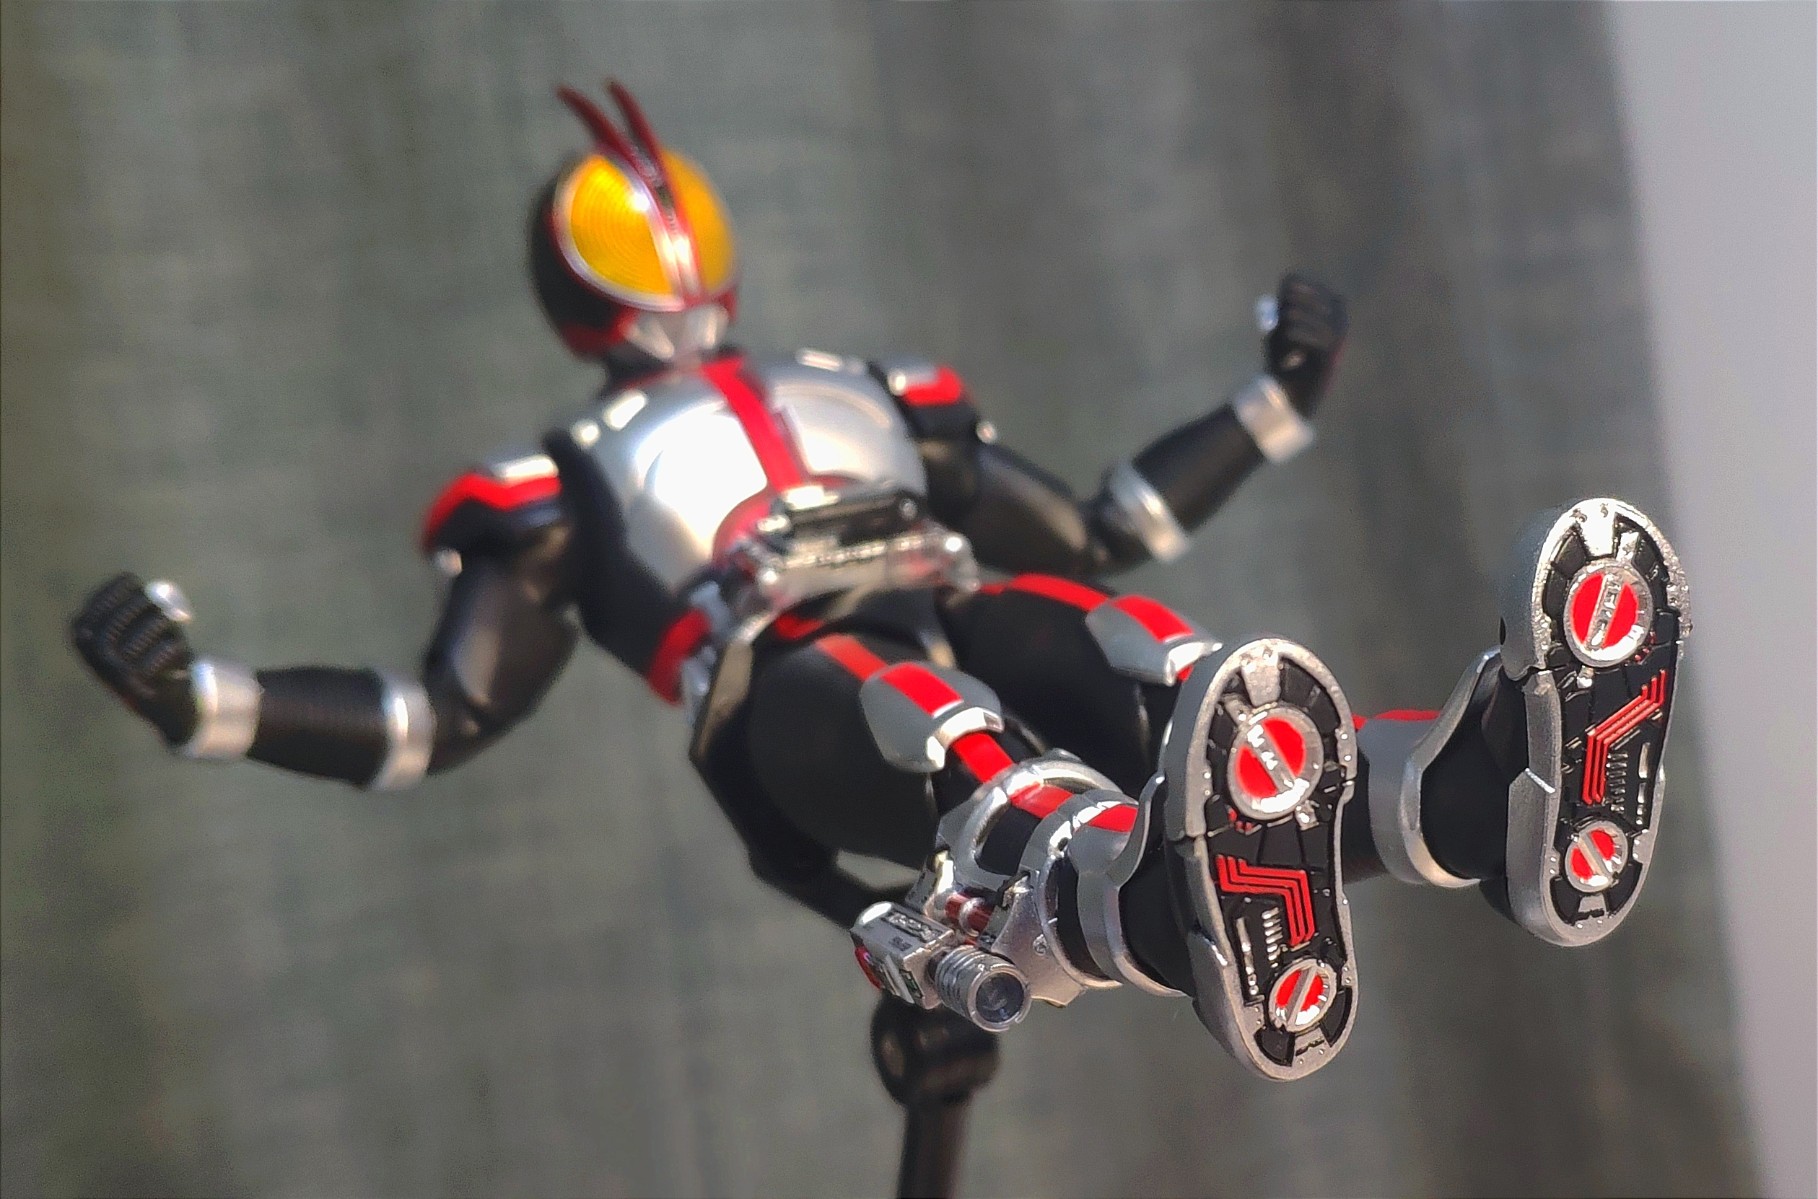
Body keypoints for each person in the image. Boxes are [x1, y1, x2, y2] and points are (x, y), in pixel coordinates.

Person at [70, 82, 1688, 1081]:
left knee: (1151, 663)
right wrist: (203, 702)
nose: (670, 256)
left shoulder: (869, 397)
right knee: (943, 729)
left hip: (940, 586)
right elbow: (436, 717)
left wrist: (1271, 406)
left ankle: (1470, 797)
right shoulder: (560, 488)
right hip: (776, 684)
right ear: (573, 278)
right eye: (626, 235)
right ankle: (1131, 902)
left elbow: (1101, 528)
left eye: (676, 219)